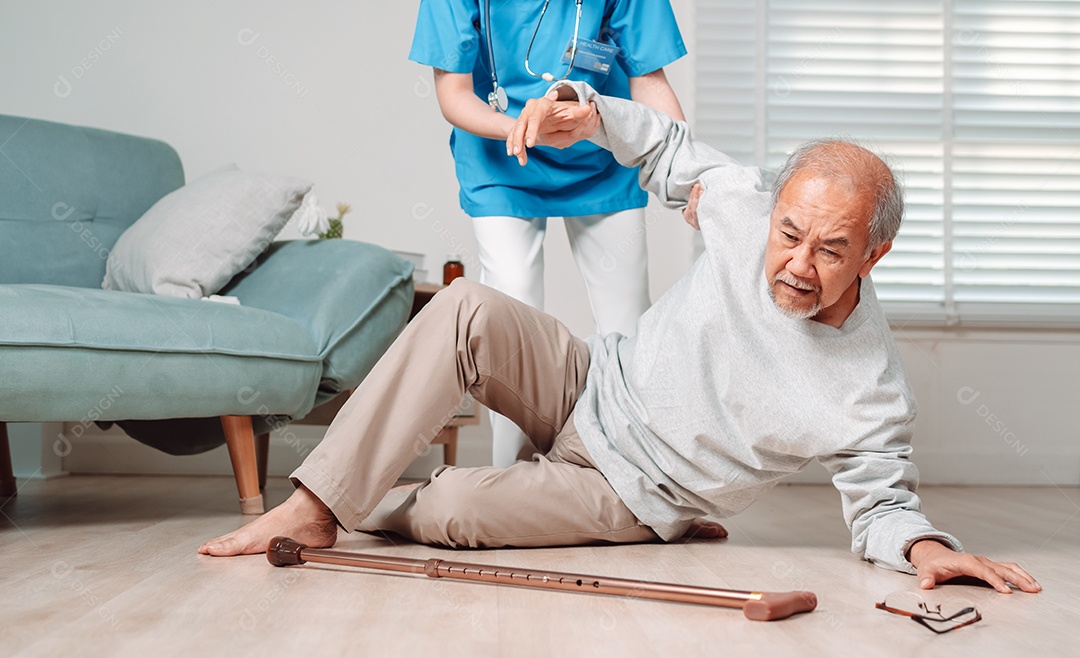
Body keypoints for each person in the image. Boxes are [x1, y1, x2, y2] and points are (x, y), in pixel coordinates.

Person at [200, 81, 1041, 596]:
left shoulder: (869, 388)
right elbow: (664, 148)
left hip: (639, 494)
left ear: (874, 254)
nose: (796, 264)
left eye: (830, 251)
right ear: (773, 208)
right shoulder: (747, 201)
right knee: (465, 310)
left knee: (453, 504)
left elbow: (884, 505)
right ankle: (314, 510)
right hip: (590, 383)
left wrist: (927, 548)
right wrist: (588, 110)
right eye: (790, 235)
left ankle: (362, 500)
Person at [410, 0, 689, 467]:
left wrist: (689, 174)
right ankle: (512, 474)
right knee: (509, 315)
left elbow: (650, 82)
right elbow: (453, 93)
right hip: (501, 154)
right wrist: (522, 129)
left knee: (627, 320)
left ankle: (635, 473)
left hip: (601, 149)